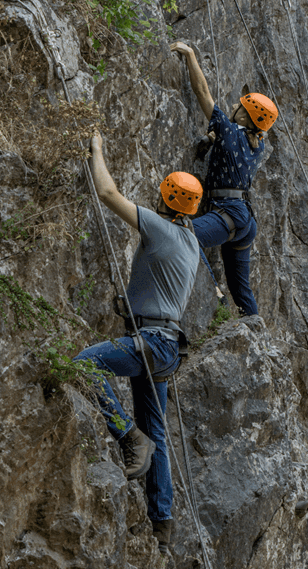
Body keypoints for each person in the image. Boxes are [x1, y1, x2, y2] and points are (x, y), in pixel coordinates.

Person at [74, 131, 202, 555]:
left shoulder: (162, 229)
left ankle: (128, 436)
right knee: (159, 433)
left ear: (166, 199)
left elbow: (108, 193)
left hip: (151, 341)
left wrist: (97, 149)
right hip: (166, 348)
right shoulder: (191, 242)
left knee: (83, 364)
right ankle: (162, 524)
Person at [171, 40, 279, 317]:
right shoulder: (257, 143)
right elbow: (231, 148)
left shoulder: (230, 131)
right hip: (244, 220)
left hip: (227, 213)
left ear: (244, 114)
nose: (234, 105)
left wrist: (191, 55)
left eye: (240, 105)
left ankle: (213, 294)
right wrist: (210, 139)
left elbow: (202, 92)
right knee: (242, 291)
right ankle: (256, 332)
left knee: (184, 236)